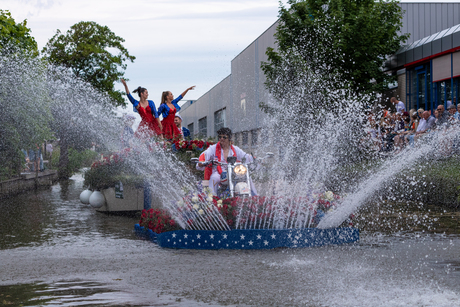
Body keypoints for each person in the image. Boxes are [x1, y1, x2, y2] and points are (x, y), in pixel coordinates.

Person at [197, 127, 257, 196]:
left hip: (233, 172)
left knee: (247, 177)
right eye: (220, 137)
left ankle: (255, 197)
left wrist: (255, 159)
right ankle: (212, 200)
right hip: (219, 173)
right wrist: (202, 162)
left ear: (229, 138)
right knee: (213, 178)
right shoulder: (213, 148)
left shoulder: (235, 149)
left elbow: (245, 156)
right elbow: (205, 154)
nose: (221, 139)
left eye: (224, 137)